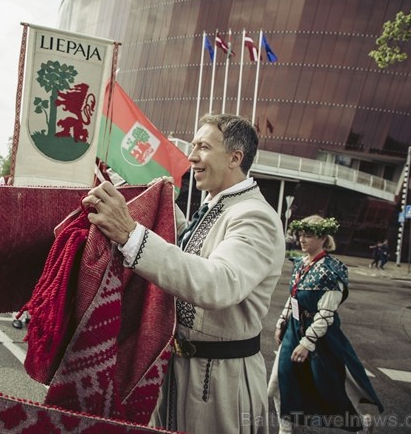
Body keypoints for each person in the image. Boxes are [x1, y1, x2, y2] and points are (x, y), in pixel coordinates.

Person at [83, 113, 285, 434]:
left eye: (203, 147)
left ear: (235, 158)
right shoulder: (221, 205)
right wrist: (158, 207)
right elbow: (192, 250)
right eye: (193, 145)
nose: (191, 156)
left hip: (218, 383)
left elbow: (217, 283)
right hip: (181, 372)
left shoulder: (254, 216)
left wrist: (130, 233)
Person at [268, 215, 383, 434]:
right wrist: (282, 320)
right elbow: (294, 296)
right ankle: (285, 429)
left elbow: (326, 313)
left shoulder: (332, 270)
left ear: (322, 238)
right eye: (301, 235)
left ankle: (361, 423)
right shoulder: (301, 263)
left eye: (308, 236)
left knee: (330, 389)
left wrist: (307, 343)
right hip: (294, 330)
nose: (302, 239)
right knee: (278, 382)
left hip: (321, 338)